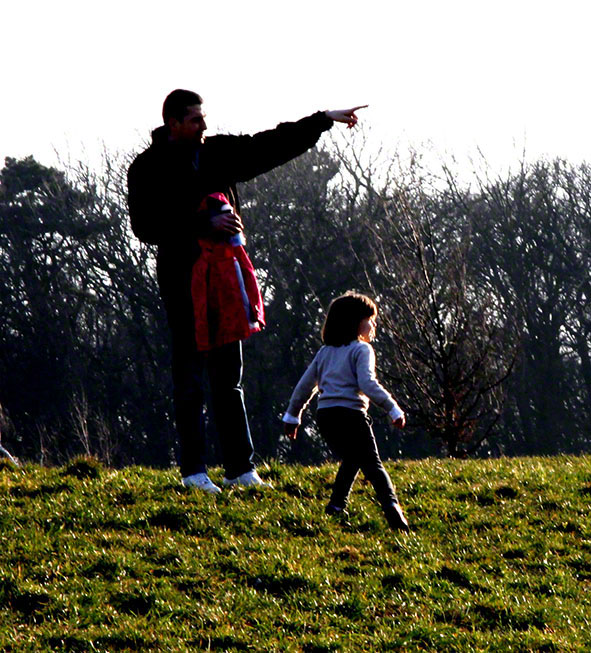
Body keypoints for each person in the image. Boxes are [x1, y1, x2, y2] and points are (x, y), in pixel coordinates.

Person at [127, 89, 367, 493]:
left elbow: (268, 145)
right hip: (183, 286)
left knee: (229, 379)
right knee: (190, 382)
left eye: (204, 118)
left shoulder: (216, 153)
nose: (204, 126)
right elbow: (145, 227)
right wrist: (201, 224)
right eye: (195, 120)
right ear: (173, 124)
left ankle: (240, 469)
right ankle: (193, 473)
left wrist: (323, 119)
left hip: (225, 283)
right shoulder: (147, 168)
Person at [282, 292, 410, 533]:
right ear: (355, 322)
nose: (373, 324)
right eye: (369, 319)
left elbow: (304, 386)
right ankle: (393, 511)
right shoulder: (361, 350)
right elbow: (367, 383)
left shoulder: (325, 352)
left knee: (353, 458)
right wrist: (393, 408)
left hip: (326, 417)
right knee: (373, 464)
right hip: (352, 415)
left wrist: (293, 415)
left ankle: (336, 505)